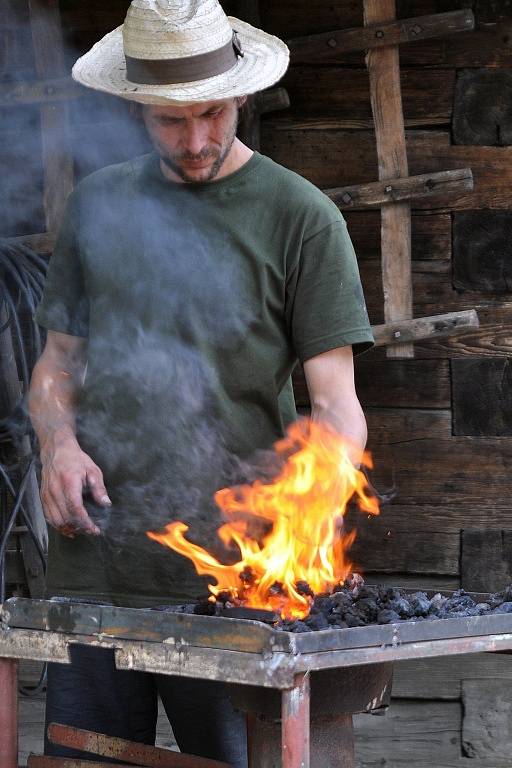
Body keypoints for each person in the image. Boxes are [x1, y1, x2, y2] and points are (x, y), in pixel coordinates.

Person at [29, 1, 374, 765]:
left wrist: (312, 515)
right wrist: (57, 444)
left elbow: (337, 406)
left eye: (213, 115)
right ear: (135, 110)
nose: (196, 142)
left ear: (241, 95)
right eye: (168, 122)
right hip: (97, 572)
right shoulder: (97, 206)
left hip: (231, 583)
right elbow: (56, 364)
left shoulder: (302, 217)